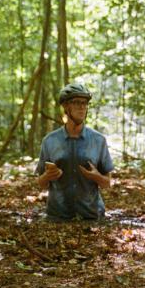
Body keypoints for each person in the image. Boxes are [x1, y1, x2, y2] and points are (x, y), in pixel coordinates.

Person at [34, 83, 114, 221]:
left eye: (85, 103)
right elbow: (41, 183)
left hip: (91, 216)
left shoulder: (98, 140)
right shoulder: (50, 140)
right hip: (58, 217)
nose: (82, 107)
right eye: (77, 102)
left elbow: (107, 183)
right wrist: (47, 176)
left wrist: (97, 177)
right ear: (65, 106)